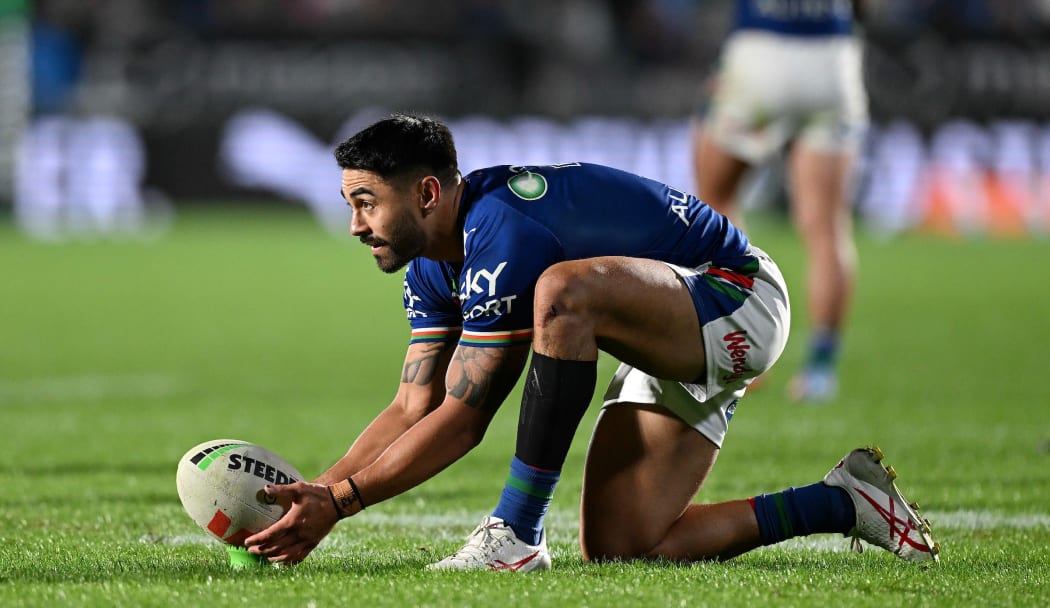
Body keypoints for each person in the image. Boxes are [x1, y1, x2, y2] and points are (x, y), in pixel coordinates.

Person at [244, 114, 938, 570]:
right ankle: (844, 500)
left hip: (735, 297)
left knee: (562, 293)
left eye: (366, 202)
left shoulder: (506, 230)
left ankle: (516, 534)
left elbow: (467, 418)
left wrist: (343, 502)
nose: (356, 225)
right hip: (661, 320)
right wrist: (318, 494)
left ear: (426, 192)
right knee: (625, 548)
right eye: (350, 205)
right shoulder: (433, 263)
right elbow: (413, 405)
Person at [692, 0, 868, 402]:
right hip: (832, 56)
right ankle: (820, 373)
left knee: (717, 197)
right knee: (828, 225)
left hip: (762, 46)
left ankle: (742, 352)